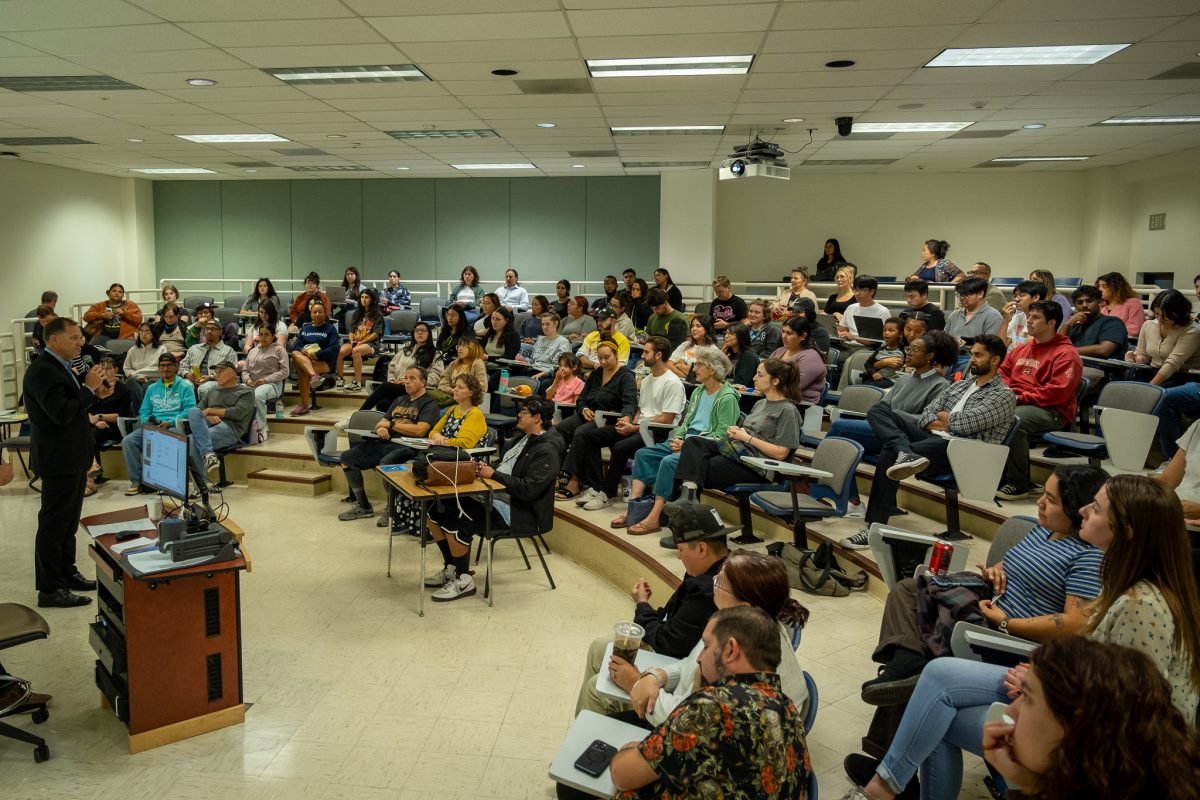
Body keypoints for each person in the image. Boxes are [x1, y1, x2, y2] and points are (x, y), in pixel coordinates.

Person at [844, 474, 1200, 800]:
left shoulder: (1140, 604)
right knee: (933, 683)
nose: (1083, 510)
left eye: (1096, 507)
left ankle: (883, 786)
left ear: (1127, 530)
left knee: (935, 699)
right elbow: (1101, 664)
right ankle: (886, 783)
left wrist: (1042, 679)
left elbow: (1131, 706)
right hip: (1064, 689)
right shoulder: (1120, 578)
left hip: (1108, 743)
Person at [606, 606, 809, 800]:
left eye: (706, 646)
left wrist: (639, 752)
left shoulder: (715, 706)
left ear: (731, 650)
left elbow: (620, 774)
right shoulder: (788, 708)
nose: (699, 658)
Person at [844, 336, 1017, 547]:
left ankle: (874, 528)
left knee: (889, 453)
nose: (972, 360)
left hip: (964, 450)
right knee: (879, 411)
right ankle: (904, 451)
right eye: (972, 354)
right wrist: (943, 420)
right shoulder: (960, 386)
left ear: (995, 360)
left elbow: (966, 424)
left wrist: (945, 419)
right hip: (936, 439)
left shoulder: (1004, 395)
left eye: (979, 355)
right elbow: (926, 414)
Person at [627, 549, 810, 727]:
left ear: (744, 607)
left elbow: (689, 722)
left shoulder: (738, 657)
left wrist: (634, 682)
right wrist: (657, 676)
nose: (713, 580)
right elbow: (691, 664)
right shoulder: (743, 625)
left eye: (721, 581)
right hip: (680, 709)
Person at [575, 505, 728, 714]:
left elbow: (668, 643)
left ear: (701, 549)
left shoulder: (710, 590)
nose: (678, 557)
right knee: (598, 648)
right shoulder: (708, 571)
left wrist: (642, 605)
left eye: (680, 550)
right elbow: (675, 623)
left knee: (596, 688)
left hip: (674, 668)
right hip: (679, 660)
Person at [423, 390, 556, 603]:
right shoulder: (520, 439)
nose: (518, 415)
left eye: (523, 412)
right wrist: (486, 468)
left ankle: (464, 579)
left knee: (458, 516)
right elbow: (503, 467)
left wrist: (494, 474)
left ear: (537, 418)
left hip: (519, 511)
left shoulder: (547, 450)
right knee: (433, 507)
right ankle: (452, 569)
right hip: (495, 497)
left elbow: (529, 490)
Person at [23, 317, 113, 608]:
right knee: (53, 524)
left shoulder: (62, 366)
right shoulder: (42, 372)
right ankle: (49, 589)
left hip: (73, 456)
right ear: (54, 340)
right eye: (74, 338)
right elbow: (60, 413)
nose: (81, 342)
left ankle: (66, 573)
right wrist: (87, 389)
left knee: (68, 523)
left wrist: (95, 393)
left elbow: (73, 406)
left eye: (81, 337)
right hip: (58, 459)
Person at [829, 331, 957, 520]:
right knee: (839, 436)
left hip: (908, 436)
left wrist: (895, 416)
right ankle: (853, 500)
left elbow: (926, 421)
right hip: (885, 431)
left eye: (915, 350)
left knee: (838, 429)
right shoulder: (904, 379)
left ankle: (854, 503)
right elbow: (882, 408)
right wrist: (889, 416)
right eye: (908, 349)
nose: (909, 353)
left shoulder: (940, 384)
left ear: (930, 356)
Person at [617, 347, 740, 535]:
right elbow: (685, 423)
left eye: (699, 365)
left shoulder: (727, 398)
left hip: (703, 449)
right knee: (643, 454)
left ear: (713, 370)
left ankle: (654, 518)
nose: (694, 368)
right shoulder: (698, 391)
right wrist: (678, 437)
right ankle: (633, 510)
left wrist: (687, 443)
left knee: (668, 462)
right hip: (684, 441)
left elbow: (722, 435)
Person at [562, 337, 686, 510]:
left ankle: (607, 493)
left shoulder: (673, 383)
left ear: (658, 355)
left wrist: (635, 426)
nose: (642, 356)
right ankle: (594, 486)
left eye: (646, 352)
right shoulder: (648, 379)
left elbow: (667, 419)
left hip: (658, 432)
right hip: (638, 427)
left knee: (620, 447)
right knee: (588, 436)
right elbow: (640, 409)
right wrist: (629, 422)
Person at [675, 358, 804, 494]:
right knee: (693, 442)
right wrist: (739, 431)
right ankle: (687, 502)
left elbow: (781, 453)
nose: (754, 378)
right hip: (737, 452)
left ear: (775, 381)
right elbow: (750, 432)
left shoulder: (788, 411)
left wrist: (747, 438)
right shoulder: (760, 403)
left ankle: (686, 504)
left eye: (760, 375)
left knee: (693, 466)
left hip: (756, 465)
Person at [996, 301, 1082, 500]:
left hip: (1052, 411)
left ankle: (1019, 484)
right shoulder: (1022, 349)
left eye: (1035, 318)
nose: (1029, 321)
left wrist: (1018, 398)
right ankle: (996, 474)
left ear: (1051, 323)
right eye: (1029, 316)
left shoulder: (1066, 355)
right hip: (1019, 402)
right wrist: (1010, 394)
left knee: (1010, 420)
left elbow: (1056, 393)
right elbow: (1001, 372)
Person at [336, 366, 442, 522]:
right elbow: (382, 421)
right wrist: (380, 428)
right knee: (346, 458)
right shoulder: (400, 400)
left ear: (423, 383)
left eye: (412, 378)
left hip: (408, 447)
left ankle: (391, 509)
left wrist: (391, 426)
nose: (407, 382)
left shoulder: (430, 404)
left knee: (386, 464)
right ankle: (363, 506)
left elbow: (420, 430)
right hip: (385, 442)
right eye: (405, 378)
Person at [122, 353, 197, 496]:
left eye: (169, 365)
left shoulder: (185, 386)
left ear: (176, 367)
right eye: (162, 366)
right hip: (153, 426)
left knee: (163, 438)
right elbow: (144, 410)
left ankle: (165, 482)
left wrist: (169, 423)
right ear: (159, 368)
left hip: (174, 425)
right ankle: (137, 482)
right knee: (128, 441)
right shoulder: (152, 388)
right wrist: (147, 423)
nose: (166, 369)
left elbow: (190, 410)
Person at [554, 341, 638, 455]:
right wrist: (584, 409)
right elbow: (581, 399)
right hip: (588, 415)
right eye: (600, 358)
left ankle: (570, 471)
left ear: (616, 354)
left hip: (607, 418)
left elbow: (630, 403)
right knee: (560, 429)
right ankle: (558, 463)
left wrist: (627, 417)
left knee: (581, 433)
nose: (603, 361)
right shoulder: (596, 374)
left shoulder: (626, 376)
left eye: (607, 357)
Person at [182, 357, 254, 477]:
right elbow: (199, 410)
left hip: (230, 428)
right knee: (193, 411)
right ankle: (209, 454)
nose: (217, 375)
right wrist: (209, 415)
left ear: (232, 373)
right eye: (216, 372)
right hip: (206, 424)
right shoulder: (212, 391)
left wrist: (211, 410)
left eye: (220, 371)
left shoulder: (246, 392)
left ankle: (201, 486)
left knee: (190, 441)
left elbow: (238, 413)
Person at [1127, 287, 1200, 386]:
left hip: (1181, 377)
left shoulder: (1191, 330)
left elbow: (1172, 364)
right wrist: (1136, 358)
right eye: (1157, 313)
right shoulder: (1148, 325)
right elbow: (1143, 354)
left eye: (1166, 316)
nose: (1160, 319)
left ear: (1179, 313)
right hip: (1152, 372)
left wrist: (1149, 388)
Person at [360, 320, 436, 413]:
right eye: (417, 330)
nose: (420, 332)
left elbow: (435, 377)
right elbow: (391, 368)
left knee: (384, 387)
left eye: (423, 330)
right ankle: (388, 425)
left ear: (429, 334)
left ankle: (355, 417)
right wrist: (392, 381)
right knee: (383, 402)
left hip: (417, 388)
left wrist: (409, 381)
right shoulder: (404, 351)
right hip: (398, 387)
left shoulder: (434, 354)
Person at [287, 299, 340, 416]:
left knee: (301, 370)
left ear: (325, 313)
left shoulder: (330, 329)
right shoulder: (305, 329)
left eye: (320, 312)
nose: (317, 314)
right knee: (296, 353)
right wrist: (303, 351)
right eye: (314, 312)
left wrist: (317, 354)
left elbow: (334, 348)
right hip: (307, 360)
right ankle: (313, 376)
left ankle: (304, 405)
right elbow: (296, 345)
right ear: (310, 313)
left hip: (323, 362)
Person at [241, 325, 288, 440]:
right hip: (253, 383)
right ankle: (241, 427)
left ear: (273, 336)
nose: (263, 337)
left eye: (266, 334)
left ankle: (261, 427)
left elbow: (285, 371)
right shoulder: (252, 351)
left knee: (258, 394)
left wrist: (266, 380)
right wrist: (247, 379)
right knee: (237, 392)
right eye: (261, 334)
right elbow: (245, 371)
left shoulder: (279, 350)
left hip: (272, 384)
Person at [768, 316, 826, 406]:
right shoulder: (779, 351)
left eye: (789, 333)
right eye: (783, 332)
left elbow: (793, 388)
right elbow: (761, 375)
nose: (783, 336)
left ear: (803, 336)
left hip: (799, 407)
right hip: (775, 400)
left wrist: (765, 386)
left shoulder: (811, 357)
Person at [334, 288, 383, 392]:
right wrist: (352, 341)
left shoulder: (377, 314)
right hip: (355, 341)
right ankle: (340, 378)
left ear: (372, 299)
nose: (363, 300)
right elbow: (351, 330)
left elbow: (376, 334)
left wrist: (362, 342)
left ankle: (357, 382)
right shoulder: (356, 313)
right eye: (362, 297)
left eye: (366, 297)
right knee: (339, 351)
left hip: (370, 343)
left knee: (356, 351)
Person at [180, 319, 237, 407]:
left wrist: (210, 377)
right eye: (207, 329)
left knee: (204, 388)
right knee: (185, 385)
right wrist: (187, 375)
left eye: (213, 329)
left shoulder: (228, 350)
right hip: (193, 379)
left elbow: (231, 371)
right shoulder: (194, 348)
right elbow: (182, 365)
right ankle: (187, 413)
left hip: (215, 381)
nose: (209, 331)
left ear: (220, 332)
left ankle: (204, 414)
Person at [1062, 284, 1128, 359]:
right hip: (1071, 364)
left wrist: (1067, 350)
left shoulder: (1113, 322)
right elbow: (1055, 346)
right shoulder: (1073, 325)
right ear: (1075, 305)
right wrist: (1067, 324)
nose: (1084, 305)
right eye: (1080, 302)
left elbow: (1104, 350)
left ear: (1099, 302)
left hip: (1098, 368)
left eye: (1089, 301)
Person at [517, 311, 572, 392]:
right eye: (543, 324)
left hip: (547, 374)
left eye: (548, 324)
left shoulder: (563, 342)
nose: (545, 327)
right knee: (510, 377)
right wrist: (524, 360)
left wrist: (541, 374)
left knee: (538, 384)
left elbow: (559, 367)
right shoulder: (540, 340)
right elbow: (533, 360)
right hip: (532, 370)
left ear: (556, 324)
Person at [943, 276, 1004, 347]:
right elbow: (945, 340)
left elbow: (990, 346)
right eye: (960, 294)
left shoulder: (993, 316)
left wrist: (967, 343)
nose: (962, 298)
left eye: (966, 294)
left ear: (980, 294)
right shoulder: (954, 315)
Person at [122, 321, 167, 409]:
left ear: (153, 334)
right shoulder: (133, 350)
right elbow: (126, 369)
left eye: (147, 331)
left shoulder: (161, 349)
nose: (143, 334)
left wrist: (137, 373)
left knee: (148, 386)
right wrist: (138, 377)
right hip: (136, 380)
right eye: (141, 331)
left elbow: (160, 369)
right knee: (130, 382)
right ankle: (141, 414)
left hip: (154, 380)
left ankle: (142, 414)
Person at [839, 275, 894, 342]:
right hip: (848, 344)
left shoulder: (882, 312)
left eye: (861, 290)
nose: (857, 293)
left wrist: (855, 338)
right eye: (855, 290)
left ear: (872, 291)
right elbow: (842, 330)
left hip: (869, 348)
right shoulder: (851, 308)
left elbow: (879, 341)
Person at [433, 339, 488, 405]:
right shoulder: (453, 363)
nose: (459, 348)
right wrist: (451, 390)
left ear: (473, 349)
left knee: (441, 412)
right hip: (449, 397)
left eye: (463, 346)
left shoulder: (478, 363)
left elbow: (481, 386)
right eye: (458, 346)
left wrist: (461, 391)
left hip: (467, 401)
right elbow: (443, 381)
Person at [997, 279, 1046, 349]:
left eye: (1022, 295)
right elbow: (999, 347)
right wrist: (1005, 320)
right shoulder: (1018, 317)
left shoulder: (1045, 320)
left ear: (1036, 297)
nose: (1016, 299)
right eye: (1016, 296)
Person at [668, 314, 716, 380]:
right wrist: (689, 375)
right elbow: (669, 364)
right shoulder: (685, 344)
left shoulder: (712, 350)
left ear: (707, 329)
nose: (694, 329)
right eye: (692, 326)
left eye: (698, 326)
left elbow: (702, 374)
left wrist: (678, 366)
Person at [1095, 271, 1143, 336]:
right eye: (1099, 286)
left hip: (1122, 342)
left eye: (1104, 286)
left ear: (1116, 287)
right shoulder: (1100, 305)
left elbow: (1134, 329)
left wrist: (1105, 333)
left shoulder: (1133, 303)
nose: (1100, 289)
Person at [862, 318, 905, 387]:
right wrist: (874, 373)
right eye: (884, 330)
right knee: (865, 384)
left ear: (900, 334)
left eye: (891, 330)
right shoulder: (880, 350)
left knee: (871, 386)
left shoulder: (903, 351)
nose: (886, 333)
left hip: (892, 380)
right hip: (878, 378)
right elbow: (868, 364)